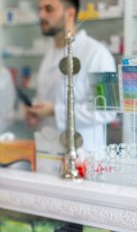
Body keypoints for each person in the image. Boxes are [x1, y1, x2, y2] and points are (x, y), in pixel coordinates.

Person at [24, 0, 116, 151]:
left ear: (70, 13)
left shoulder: (98, 53)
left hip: (84, 156)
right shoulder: (49, 54)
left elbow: (108, 110)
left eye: (49, 9)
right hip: (48, 153)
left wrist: (55, 111)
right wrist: (36, 111)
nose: (41, 15)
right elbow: (50, 97)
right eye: (39, 9)